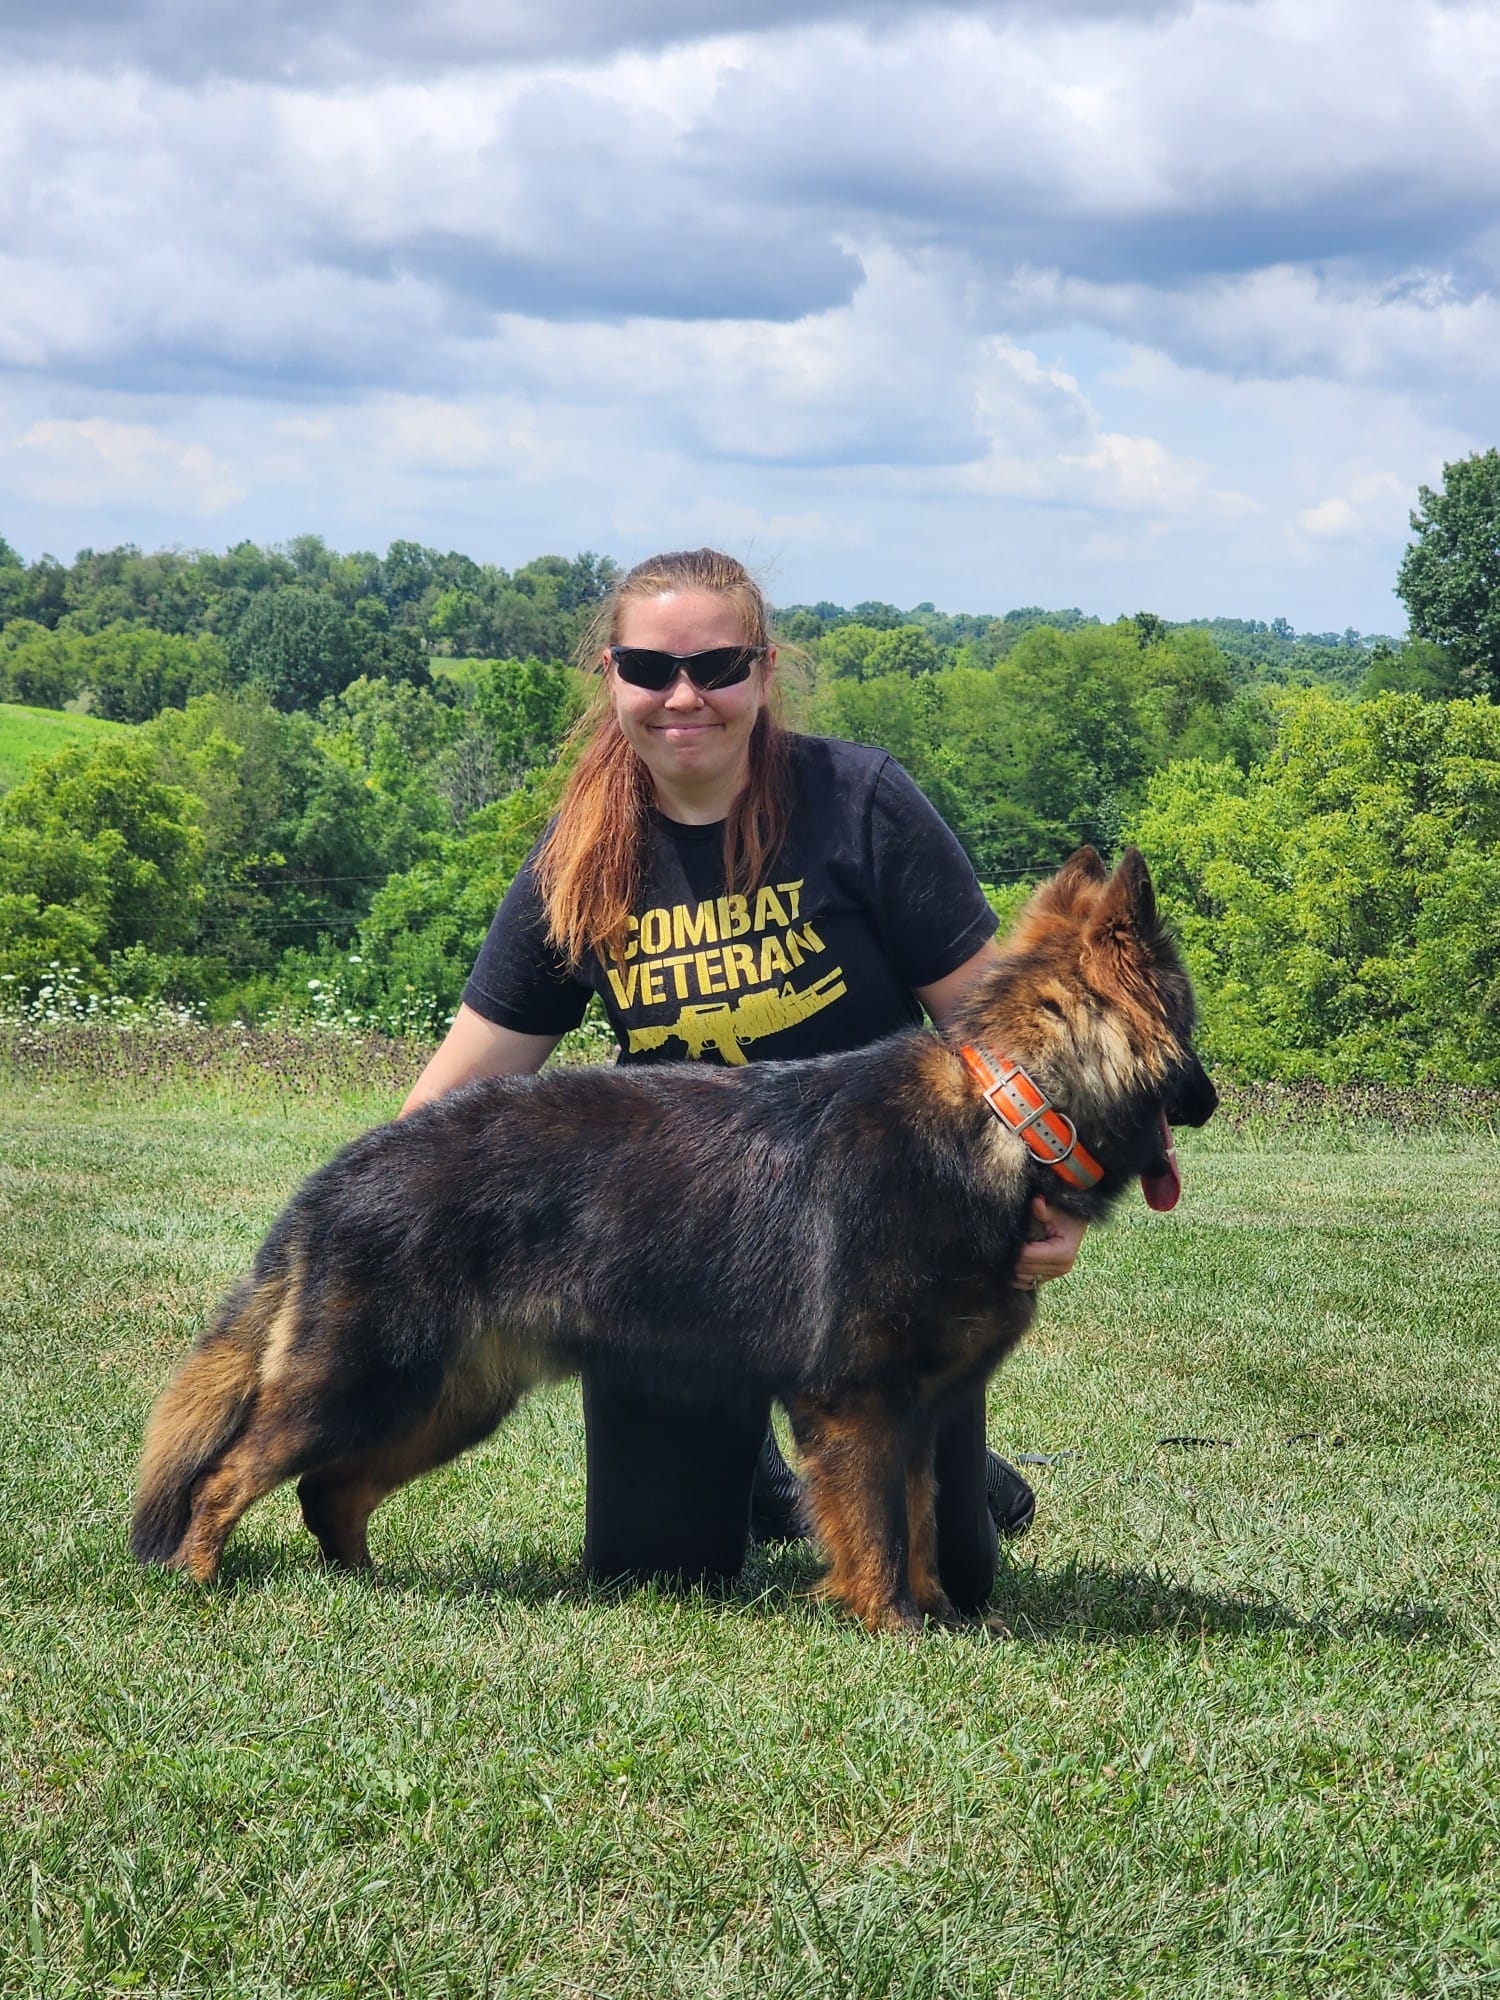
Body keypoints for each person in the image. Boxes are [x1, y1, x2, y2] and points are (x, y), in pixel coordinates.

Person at [402, 548, 1086, 1611]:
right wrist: (385, 1219)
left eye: (718, 667)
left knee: (953, 1573)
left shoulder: (858, 803)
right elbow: (463, 1084)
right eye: (651, 667)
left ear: (765, 672)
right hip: (677, 1249)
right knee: (655, 1576)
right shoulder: (578, 854)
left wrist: (1051, 1206)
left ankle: (956, 1478)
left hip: (880, 1246)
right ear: (610, 672)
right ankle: (770, 1480)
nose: (686, 697)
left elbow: (995, 1030)